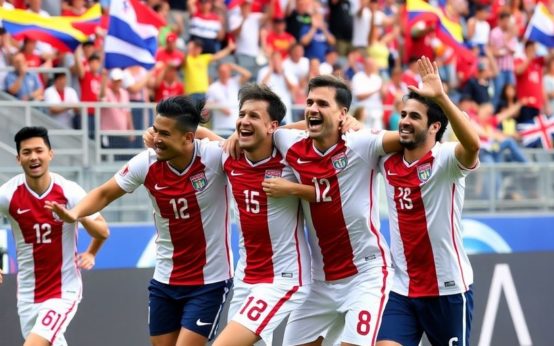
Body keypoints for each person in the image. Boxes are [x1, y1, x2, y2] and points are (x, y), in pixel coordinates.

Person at [46, 96, 233, 346]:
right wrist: (75, 213)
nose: (156, 138)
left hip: (209, 281)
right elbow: (104, 193)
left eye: (165, 133)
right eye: (155, 130)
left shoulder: (213, 157)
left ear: (189, 138)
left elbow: (242, 150)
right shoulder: (147, 162)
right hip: (165, 279)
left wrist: (201, 130)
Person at [259, 74, 401, 345]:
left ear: (342, 114)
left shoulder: (360, 143)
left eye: (322, 104)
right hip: (320, 281)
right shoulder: (291, 144)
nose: (312, 108)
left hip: (365, 275)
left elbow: (409, 137)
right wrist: (221, 137)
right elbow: (265, 131)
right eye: (309, 102)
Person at [376, 56, 480, 346]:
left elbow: (473, 144)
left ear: (434, 127)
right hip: (402, 289)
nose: (405, 121)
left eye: (414, 116)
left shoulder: (446, 159)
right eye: (403, 114)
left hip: (447, 289)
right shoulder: (386, 160)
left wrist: (441, 97)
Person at [211, 84, 313, 346]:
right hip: (246, 276)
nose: (244, 120)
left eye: (254, 116)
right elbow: (196, 137)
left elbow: (328, 129)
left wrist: (293, 188)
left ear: (273, 126)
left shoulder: (291, 160)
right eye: (242, 114)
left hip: (283, 276)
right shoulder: (229, 157)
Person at [0, 126, 109, 346]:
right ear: (18, 158)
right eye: (27, 152)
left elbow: (103, 231)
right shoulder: (8, 195)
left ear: (50, 154)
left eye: (39, 150)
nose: (34, 157)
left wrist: (76, 217)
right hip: (28, 294)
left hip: (63, 291)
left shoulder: (69, 191)